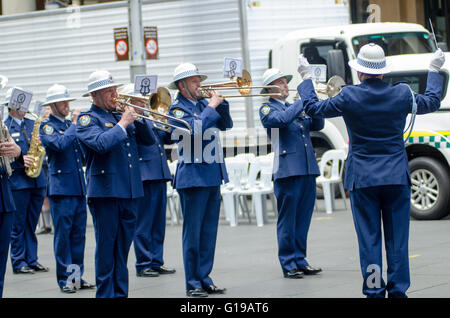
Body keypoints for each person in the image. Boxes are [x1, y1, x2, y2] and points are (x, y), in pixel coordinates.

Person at [297, 43, 446, 298]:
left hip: (363, 179)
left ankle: (375, 291)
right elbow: (432, 101)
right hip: (396, 177)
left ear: (361, 72)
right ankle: (398, 292)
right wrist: (434, 70)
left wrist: (306, 78)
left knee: (370, 241)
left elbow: (312, 108)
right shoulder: (401, 93)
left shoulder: (348, 95)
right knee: (397, 241)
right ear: (382, 72)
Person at [76, 70, 155, 298]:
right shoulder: (88, 119)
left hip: (129, 191)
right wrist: (123, 123)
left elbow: (149, 142)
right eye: (109, 91)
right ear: (95, 95)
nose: (115, 94)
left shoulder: (118, 116)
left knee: (122, 251)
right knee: (106, 250)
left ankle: (120, 294)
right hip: (106, 194)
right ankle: (105, 295)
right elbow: (100, 144)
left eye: (114, 89)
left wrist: (138, 118)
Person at [167, 63, 233, 297]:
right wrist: (212, 106)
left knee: (208, 233)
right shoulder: (176, 110)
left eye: (199, 80)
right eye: (194, 81)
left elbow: (226, 124)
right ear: (182, 86)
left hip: (212, 174)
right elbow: (193, 132)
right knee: (193, 234)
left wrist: (221, 104)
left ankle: (205, 277)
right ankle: (193, 282)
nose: (200, 85)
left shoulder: (205, 104)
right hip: (193, 177)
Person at [258, 68, 324, 279]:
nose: (287, 85)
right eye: (281, 82)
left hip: (306, 167)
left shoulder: (293, 107)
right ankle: (288, 262)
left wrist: (317, 102)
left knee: (303, 218)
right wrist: (303, 100)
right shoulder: (267, 109)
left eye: (286, 82)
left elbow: (318, 125)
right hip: (287, 170)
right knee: (288, 220)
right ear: (270, 88)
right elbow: (282, 121)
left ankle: (300, 259)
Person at [39, 84, 95, 293]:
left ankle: (76, 278)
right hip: (61, 189)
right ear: (53, 105)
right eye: (62, 102)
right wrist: (74, 124)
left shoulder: (70, 126)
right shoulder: (48, 127)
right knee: (63, 237)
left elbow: (80, 153)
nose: (66, 105)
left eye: (67, 102)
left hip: (78, 187)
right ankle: (65, 279)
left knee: (78, 236)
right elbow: (60, 144)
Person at [117, 84, 176, 278]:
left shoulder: (149, 116)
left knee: (158, 221)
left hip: (159, 172)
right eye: (140, 100)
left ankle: (156, 260)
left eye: (144, 99)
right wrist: (146, 118)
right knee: (144, 222)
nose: (144, 102)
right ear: (131, 101)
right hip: (144, 173)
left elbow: (168, 139)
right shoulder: (132, 119)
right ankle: (143, 262)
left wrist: (163, 121)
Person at [2, 87, 49, 275]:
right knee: (18, 224)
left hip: (37, 180)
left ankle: (32, 259)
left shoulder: (32, 124)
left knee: (32, 222)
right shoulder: (5, 126)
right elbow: (5, 154)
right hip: (19, 182)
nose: (25, 108)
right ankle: (19, 260)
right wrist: (20, 159)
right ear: (12, 106)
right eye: (21, 104)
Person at [37, 105, 52, 235]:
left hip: (53, 164)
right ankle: (46, 225)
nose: (47, 112)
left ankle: (50, 223)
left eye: (49, 109)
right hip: (44, 164)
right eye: (45, 109)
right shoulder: (41, 126)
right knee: (45, 196)